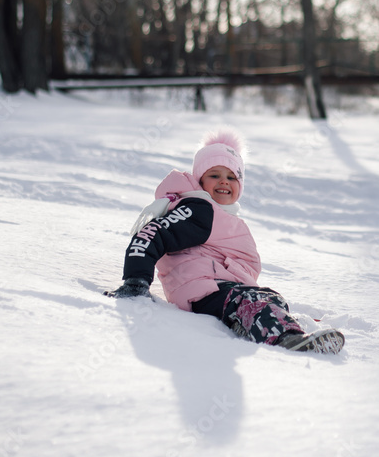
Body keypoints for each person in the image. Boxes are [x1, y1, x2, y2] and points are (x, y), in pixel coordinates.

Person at [106, 128, 345, 354]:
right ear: (200, 181)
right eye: (214, 175)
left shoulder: (217, 215)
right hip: (203, 288)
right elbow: (151, 234)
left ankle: (256, 324)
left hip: (216, 288)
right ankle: (288, 339)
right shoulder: (198, 209)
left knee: (267, 298)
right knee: (252, 300)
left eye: (232, 177)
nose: (224, 182)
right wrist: (135, 281)